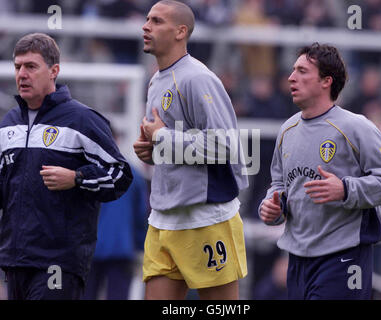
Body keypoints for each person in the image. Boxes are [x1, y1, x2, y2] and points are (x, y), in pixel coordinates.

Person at [259, 43, 381, 300]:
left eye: (302, 71)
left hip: (343, 257)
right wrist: (272, 206)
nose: (291, 77)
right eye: (293, 70)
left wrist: (346, 189)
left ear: (326, 81)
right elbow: (279, 186)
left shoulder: (355, 127)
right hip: (298, 259)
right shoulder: (287, 129)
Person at [0, 33, 133, 300]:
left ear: (54, 71)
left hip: (58, 263)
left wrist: (78, 177)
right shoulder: (8, 123)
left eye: (31, 66)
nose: (22, 74)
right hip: (14, 260)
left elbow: (120, 175)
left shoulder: (82, 120)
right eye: (18, 67)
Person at [133, 0, 249, 300]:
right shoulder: (156, 80)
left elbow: (225, 146)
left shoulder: (198, 78)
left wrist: (162, 138)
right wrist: (152, 150)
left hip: (205, 219)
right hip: (162, 218)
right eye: (147, 19)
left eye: (157, 21)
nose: (146, 26)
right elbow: (172, 144)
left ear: (180, 31)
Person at [83, 166, 148, 300]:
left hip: (89, 249)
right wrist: (140, 248)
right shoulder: (133, 175)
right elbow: (141, 216)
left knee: (86, 295)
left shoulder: (85, 173)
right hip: (122, 247)